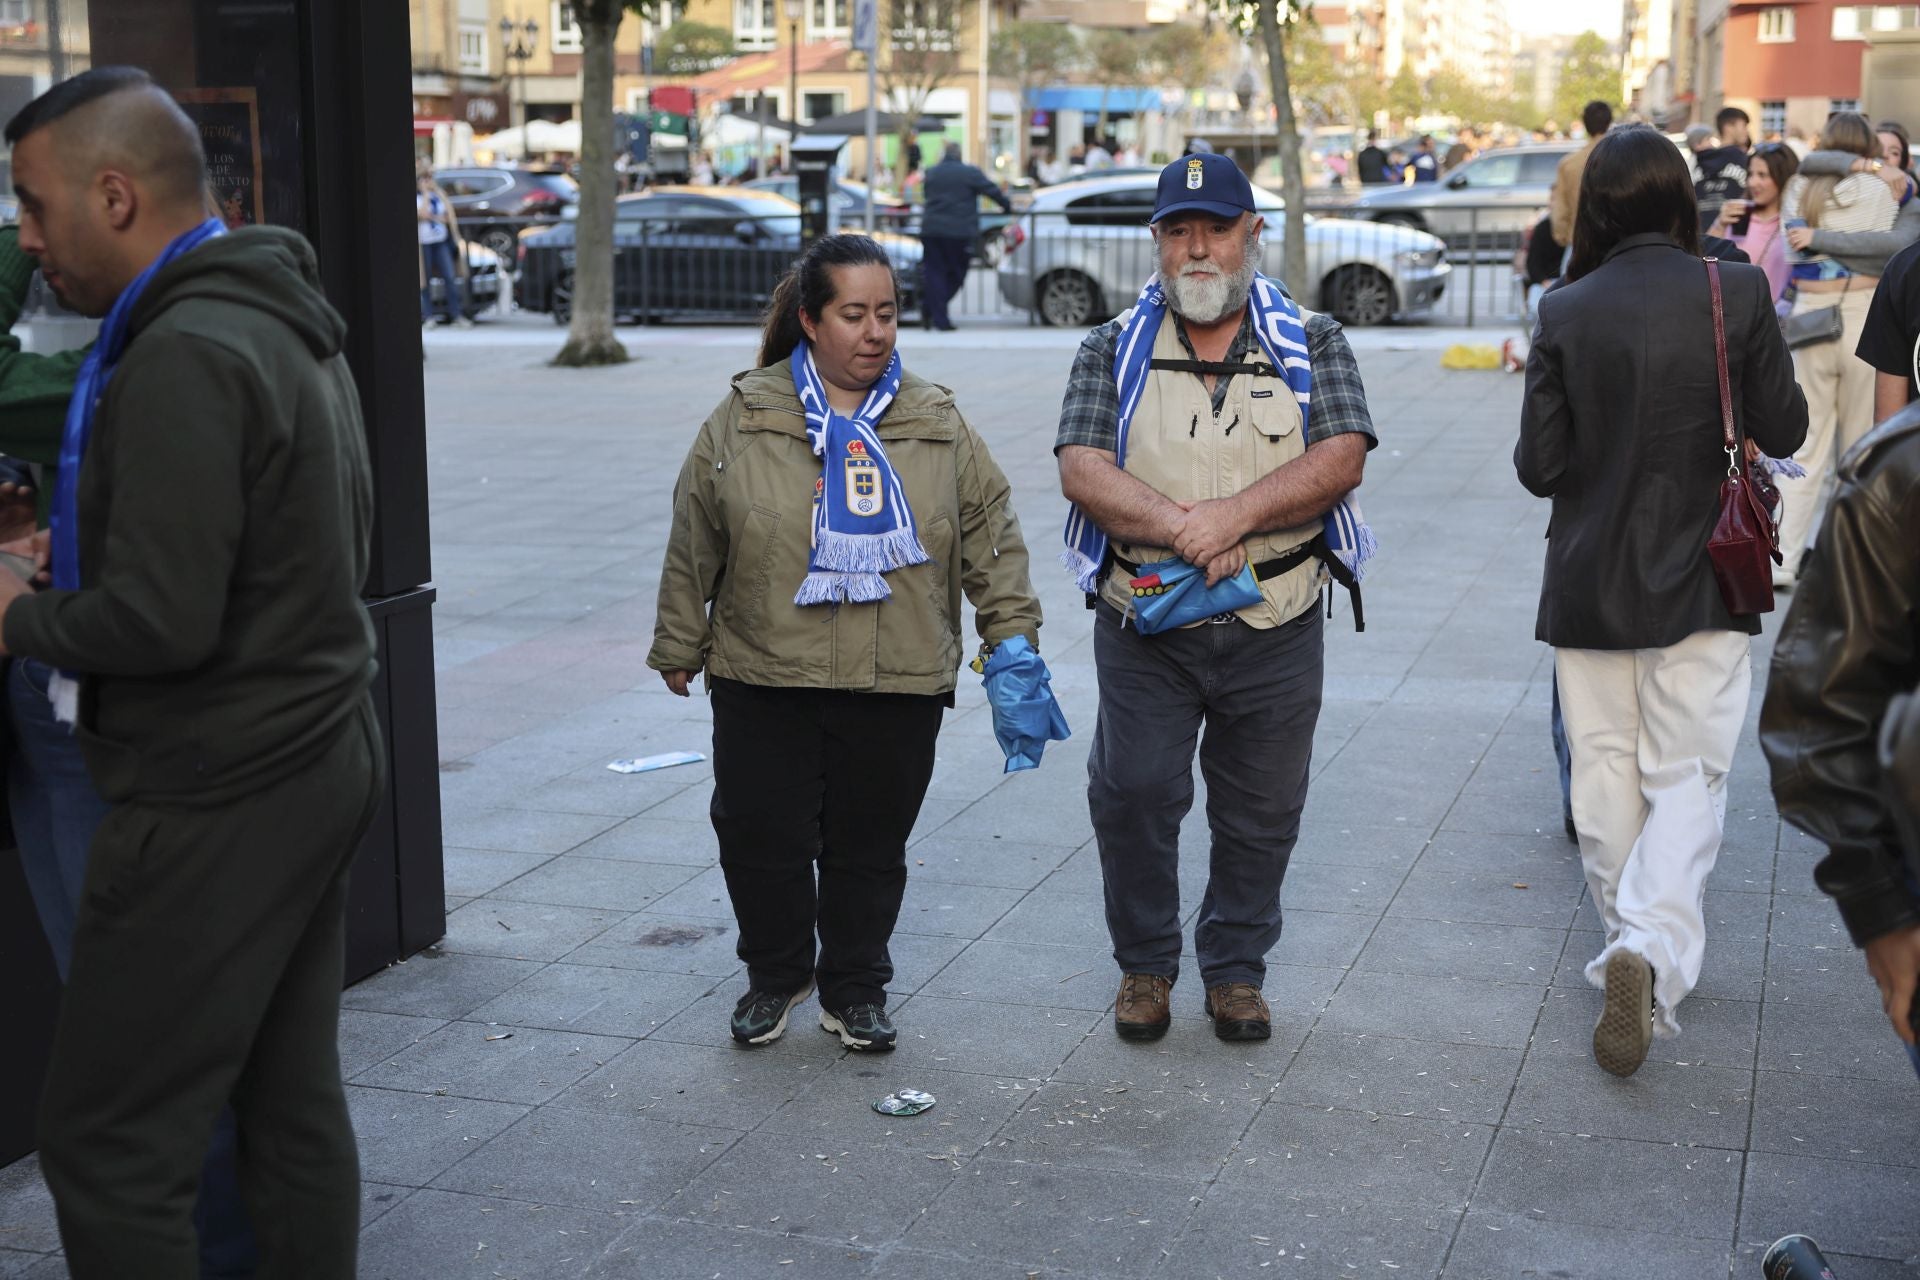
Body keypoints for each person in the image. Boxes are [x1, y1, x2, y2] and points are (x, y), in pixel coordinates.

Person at [0, 66, 383, 1276]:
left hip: (217, 788)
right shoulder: (274, 314)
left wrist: (19, 611)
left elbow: (162, 625)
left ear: (113, 196)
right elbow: (277, 541)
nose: (26, 240)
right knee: (287, 1101)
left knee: (109, 1140)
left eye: (32, 206)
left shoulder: (184, 349)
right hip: (313, 754)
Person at [648, 233, 1042, 1053]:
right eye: (854, 315)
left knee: (870, 847)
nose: (875, 332)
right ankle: (776, 974)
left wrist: (1013, 641)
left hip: (896, 674)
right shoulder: (748, 415)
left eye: (888, 314)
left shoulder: (935, 421)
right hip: (766, 668)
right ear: (810, 320)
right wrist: (680, 640)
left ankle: (855, 988)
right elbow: (697, 534)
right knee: (758, 835)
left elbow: (989, 535)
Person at [1054, 152, 1376, 1044]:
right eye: (1178, 230)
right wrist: (1178, 523)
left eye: (1216, 228)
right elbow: (1082, 468)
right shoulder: (1108, 347)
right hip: (1145, 621)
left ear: (1252, 234)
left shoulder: (1312, 340)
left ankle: (1236, 970)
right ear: (1157, 241)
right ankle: (1145, 968)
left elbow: (1342, 452)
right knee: (1133, 792)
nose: (1198, 249)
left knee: (1263, 807)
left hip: (1274, 621)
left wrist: (1234, 514)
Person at [1515, 125, 1808, 1078]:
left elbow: (1540, 467)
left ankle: (1630, 948)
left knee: (1602, 772)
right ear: (1683, 199)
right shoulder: (1733, 289)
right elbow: (1787, 423)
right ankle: (1645, 947)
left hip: (1591, 575)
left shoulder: (1564, 309)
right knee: (1688, 775)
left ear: (1593, 209)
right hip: (1706, 571)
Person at [1761, 406, 1920, 1077]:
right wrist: (1878, 907)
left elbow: (1542, 464)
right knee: (1683, 771)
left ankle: (1643, 931)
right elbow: (1822, 703)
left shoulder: (1897, 464)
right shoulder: (1901, 468)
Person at [1776, 111, 1900, 588]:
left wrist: (1822, 247)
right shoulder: (1882, 187)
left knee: (1804, 446)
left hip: (1811, 314)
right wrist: (1856, 251)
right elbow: (1886, 251)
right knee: (1859, 445)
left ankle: (1780, 561)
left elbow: (1794, 253)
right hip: (1864, 312)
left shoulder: (1798, 190)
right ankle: (1853, 565)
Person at [919, 141, 1010, 332]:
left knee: (934, 273)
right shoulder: (969, 172)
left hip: (932, 230)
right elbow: (991, 190)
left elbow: (926, 195)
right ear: (959, 155)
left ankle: (931, 308)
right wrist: (1007, 206)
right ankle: (938, 316)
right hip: (958, 232)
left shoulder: (932, 172)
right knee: (957, 274)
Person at [1706, 142, 1800, 306]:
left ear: (1783, 177)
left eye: (1762, 175)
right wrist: (1719, 224)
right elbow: (1702, 261)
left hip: (1777, 321)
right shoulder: (1737, 216)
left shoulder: (1793, 222)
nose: (1752, 182)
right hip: (1735, 317)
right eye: (1750, 174)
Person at [1550, 100, 1614, 252]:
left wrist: (1563, 236)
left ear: (1585, 124)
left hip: (1579, 244)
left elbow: (1560, 210)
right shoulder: (1625, 159)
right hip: (1615, 246)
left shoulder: (1568, 164)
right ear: (1609, 122)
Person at [415, 164, 469, 329]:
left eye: (430, 178)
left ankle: (456, 315)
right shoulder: (418, 197)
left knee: (449, 277)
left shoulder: (439, 195)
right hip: (424, 243)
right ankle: (429, 316)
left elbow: (447, 217)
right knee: (425, 281)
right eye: (424, 179)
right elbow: (422, 214)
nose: (428, 181)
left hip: (441, 241)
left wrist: (433, 216)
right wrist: (424, 194)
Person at [1689, 121, 1750, 232]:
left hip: (1701, 228)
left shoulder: (1691, 165)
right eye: (1708, 139)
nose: (1712, 144)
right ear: (1696, 144)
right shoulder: (1691, 164)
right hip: (1730, 227)